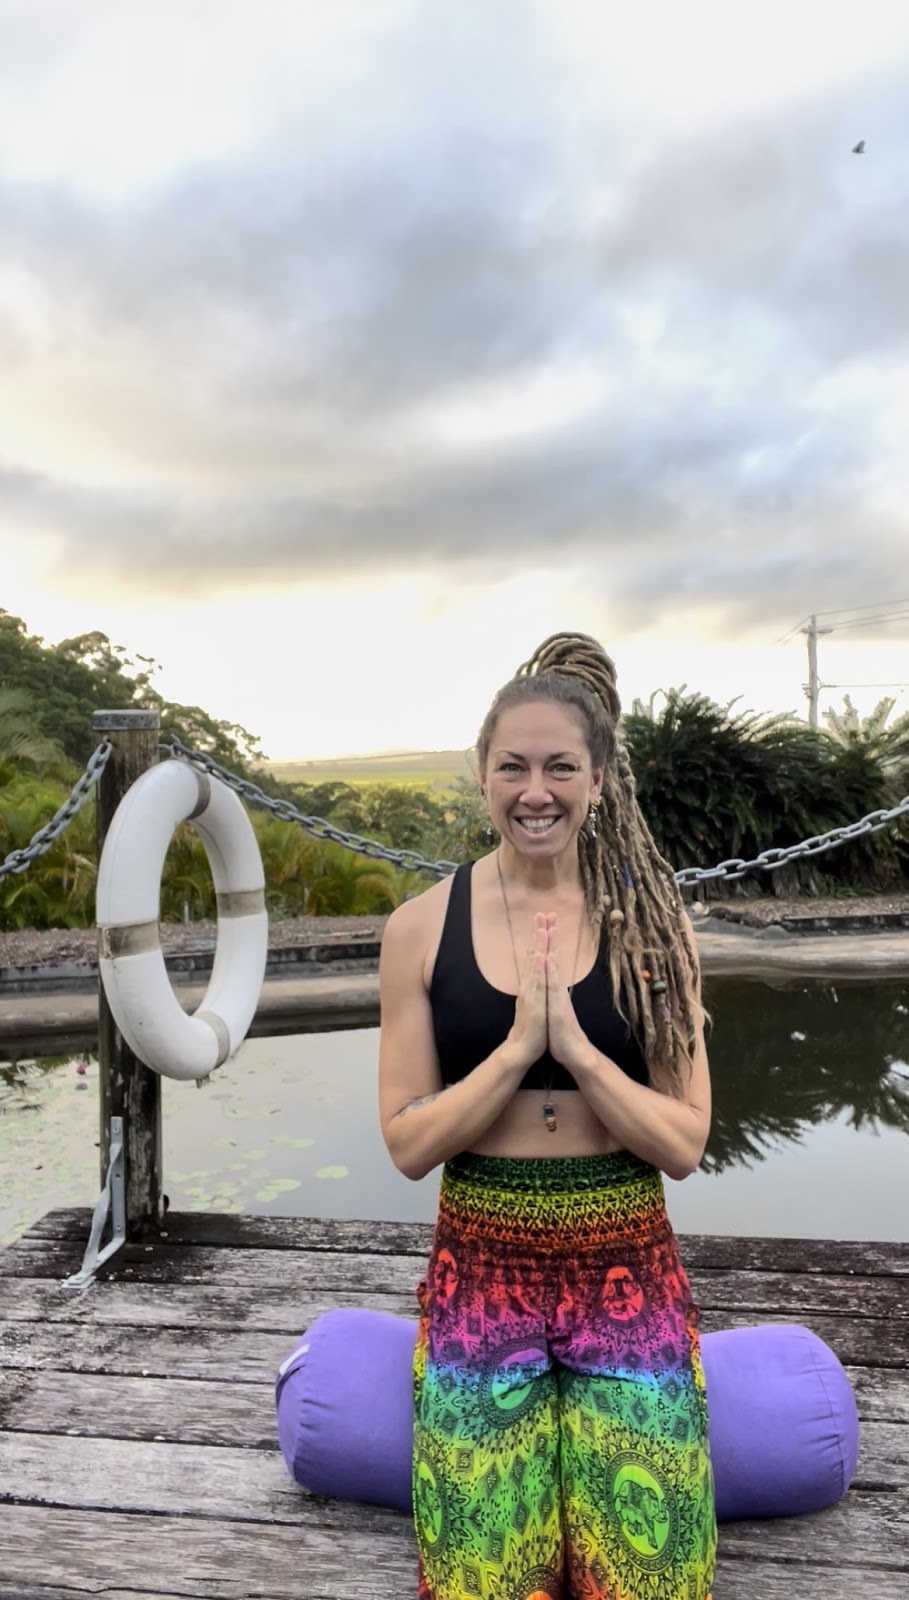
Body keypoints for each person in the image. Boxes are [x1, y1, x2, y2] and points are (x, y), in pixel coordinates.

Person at [378, 632, 716, 1600]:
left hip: (629, 1262)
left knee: (653, 1575)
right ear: (482, 777)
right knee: (484, 1574)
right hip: (480, 1265)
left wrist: (575, 1049)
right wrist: (517, 1048)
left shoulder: (653, 924)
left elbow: (685, 1142)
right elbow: (407, 1142)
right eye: (514, 766)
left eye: (561, 766)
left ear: (600, 778)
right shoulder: (418, 928)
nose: (537, 789)